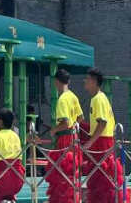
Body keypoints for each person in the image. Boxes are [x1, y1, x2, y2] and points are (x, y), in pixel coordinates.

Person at [81, 68, 124, 203]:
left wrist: (90, 142)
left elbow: (102, 123)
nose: (85, 81)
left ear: (94, 82)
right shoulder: (100, 97)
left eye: (87, 79)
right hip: (104, 140)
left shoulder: (98, 99)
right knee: (101, 175)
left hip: (102, 141)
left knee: (101, 175)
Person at [43, 68, 84, 203]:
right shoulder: (73, 96)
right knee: (73, 171)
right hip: (74, 137)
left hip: (65, 139)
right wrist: (74, 127)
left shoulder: (62, 99)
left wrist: (54, 130)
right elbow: (80, 118)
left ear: (56, 81)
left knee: (62, 172)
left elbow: (65, 123)